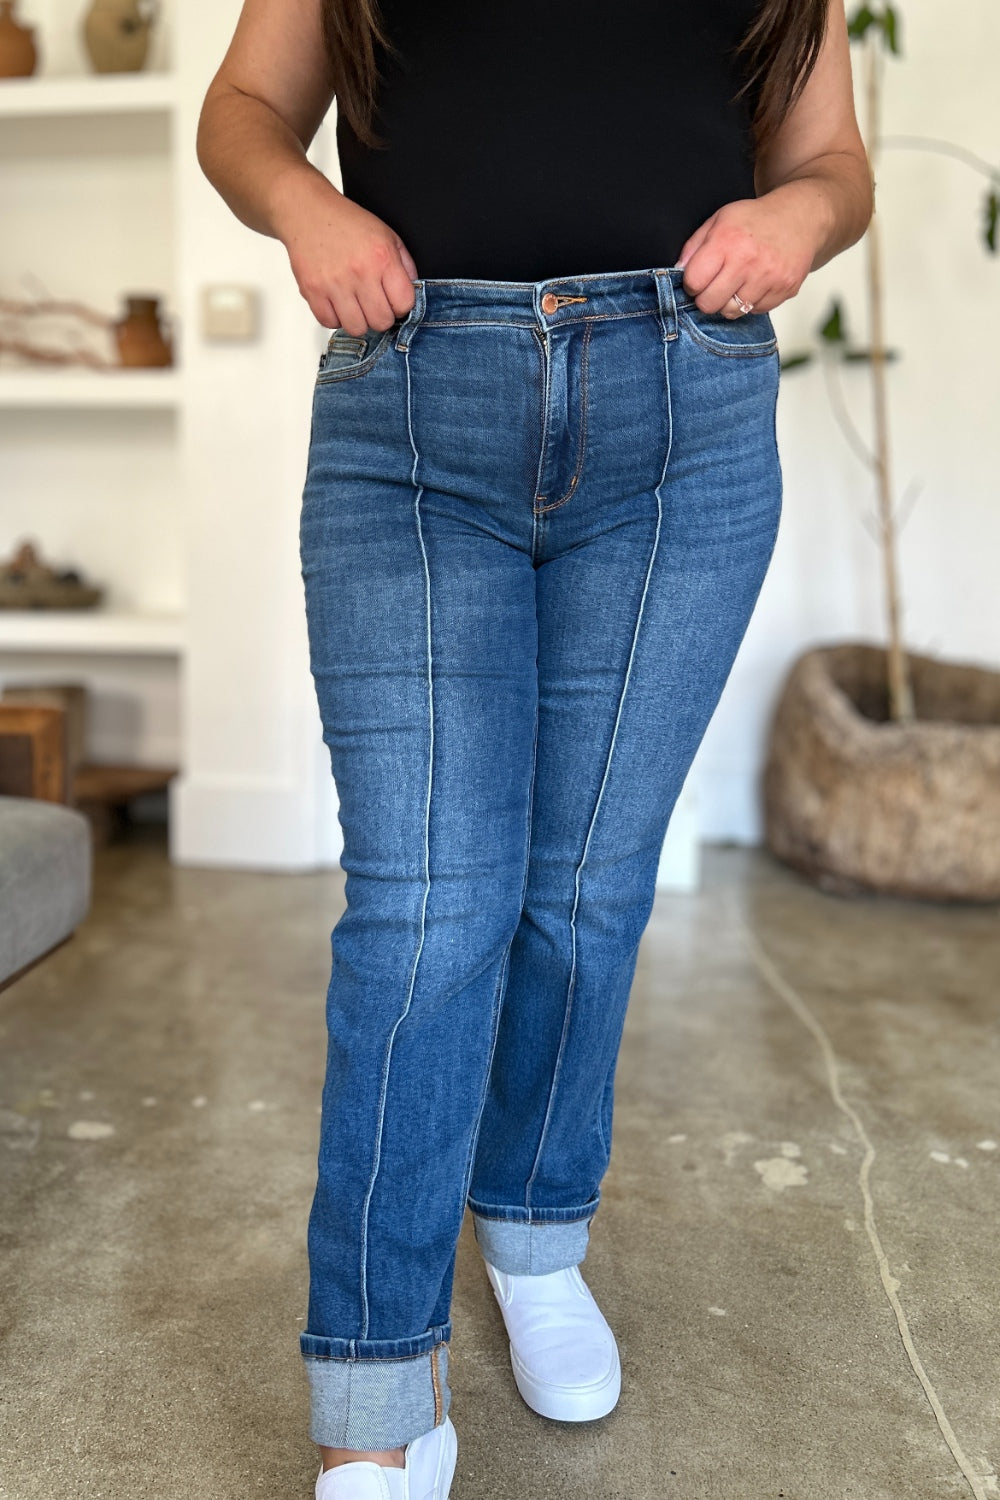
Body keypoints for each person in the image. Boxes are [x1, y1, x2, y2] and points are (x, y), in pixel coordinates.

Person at [197, 1, 872, 1493]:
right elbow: (243, 105)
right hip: (415, 409)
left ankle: (535, 1236)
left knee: (585, 888)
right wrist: (307, 207)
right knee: (431, 910)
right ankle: (372, 1393)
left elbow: (835, 164)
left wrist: (794, 221)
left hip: (682, 416)